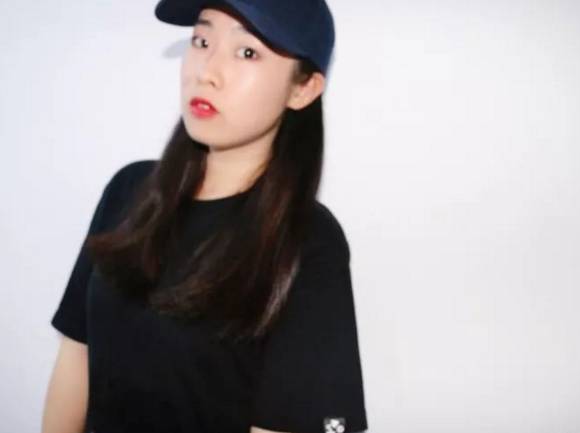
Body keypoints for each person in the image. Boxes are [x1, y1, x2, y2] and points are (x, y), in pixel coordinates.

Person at [42, 0, 368, 432]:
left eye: (247, 52)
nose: (207, 71)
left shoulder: (307, 240)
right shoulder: (129, 191)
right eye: (201, 41)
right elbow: (76, 355)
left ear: (302, 89)